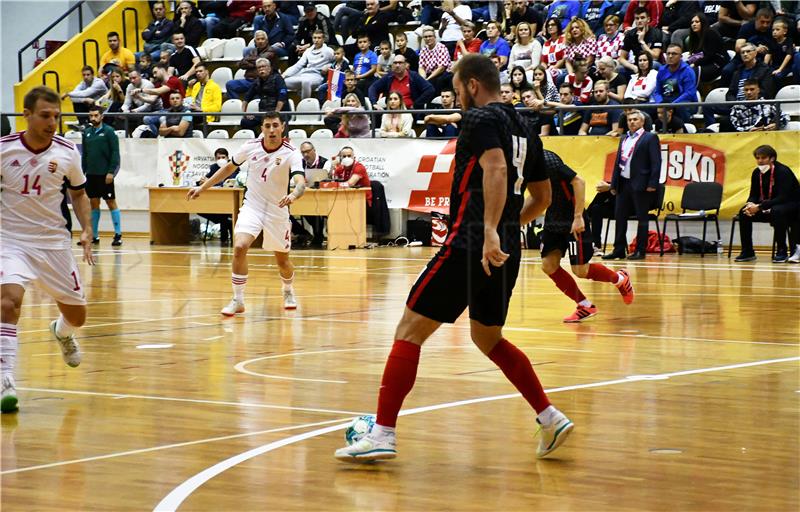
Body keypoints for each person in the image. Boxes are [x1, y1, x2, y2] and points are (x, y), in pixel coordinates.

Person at [334, 53, 573, 463]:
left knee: (409, 330)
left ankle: (383, 434)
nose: (456, 94)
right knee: (488, 338)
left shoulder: (480, 120)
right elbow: (544, 197)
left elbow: (495, 169)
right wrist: (507, 231)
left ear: (473, 85)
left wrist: (490, 230)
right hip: (502, 250)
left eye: (457, 87)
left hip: (469, 244)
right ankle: (549, 417)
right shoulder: (526, 128)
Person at [1, 86, 96, 413]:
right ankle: (5, 380)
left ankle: (62, 332)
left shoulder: (68, 152)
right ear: (26, 115)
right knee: (9, 302)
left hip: (53, 243)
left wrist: (86, 229)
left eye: (56, 116)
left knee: (77, 316)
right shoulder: (4, 150)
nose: (52, 122)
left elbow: (80, 195)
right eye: (45, 115)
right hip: (10, 240)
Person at [187, 112, 306, 313]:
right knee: (240, 247)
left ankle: (287, 290)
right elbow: (227, 169)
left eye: (275, 125)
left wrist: (293, 195)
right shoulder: (250, 146)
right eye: (267, 126)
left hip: (277, 210)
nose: (271, 130)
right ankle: (238, 300)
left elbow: (301, 183)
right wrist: (203, 187)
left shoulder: (292, 152)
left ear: (282, 127)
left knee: (283, 261)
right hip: (252, 206)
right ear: (262, 129)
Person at [539, 149, 635, 323]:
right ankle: (584, 305)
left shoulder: (547, 160)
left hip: (573, 219)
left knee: (580, 270)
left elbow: (579, 181)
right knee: (548, 265)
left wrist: (577, 217)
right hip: (553, 219)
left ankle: (620, 279)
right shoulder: (518, 163)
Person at [603, 110, 661, 261]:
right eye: (629, 120)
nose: (632, 122)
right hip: (623, 182)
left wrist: (653, 183)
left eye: (635, 119)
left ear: (642, 122)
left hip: (641, 184)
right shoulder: (624, 138)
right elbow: (617, 163)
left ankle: (640, 250)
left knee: (642, 218)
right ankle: (618, 249)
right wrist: (614, 184)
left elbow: (656, 162)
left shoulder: (650, 137)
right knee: (620, 217)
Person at [734, 145, 800, 263]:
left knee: (777, 211)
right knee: (744, 212)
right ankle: (747, 251)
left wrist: (759, 207)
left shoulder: (783, 171)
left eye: (763, 158)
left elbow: (783, 197)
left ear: (772, 158)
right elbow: (754, 193)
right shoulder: (756, 173)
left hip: (790, 205)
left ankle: (781, 251)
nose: (760, 161)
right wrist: (750, 204)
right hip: (768, 205)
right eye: (758, 158)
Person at [81, 105, 122, 247]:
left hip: (105, 175)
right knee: (93, 203)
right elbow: (84, 155)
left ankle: (118, 234)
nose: (93, 118)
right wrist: (83, 172)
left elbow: (115, 153)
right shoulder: (86, 133)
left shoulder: (109, 132)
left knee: (111, 202)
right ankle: (94, 235)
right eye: (91, 115)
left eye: (95, 115)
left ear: (102, 116)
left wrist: (111, 172)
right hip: (91, 175)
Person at [198, 148, 240, 245]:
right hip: (215, 201)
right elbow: (206, 179)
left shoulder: (234, 167)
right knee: (199, 208)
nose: (221, 159)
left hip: (229, 200)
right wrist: (202, 181)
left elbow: (230, 182)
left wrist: (210, 183)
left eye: (223, 157)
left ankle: (225, 226)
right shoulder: (213, 167)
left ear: (228, 158)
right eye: (218, 158)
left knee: (224, 213)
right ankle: (226, 223)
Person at [368, 56, 436, 111]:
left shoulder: (414, 76)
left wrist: (416, 104)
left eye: (400, 63)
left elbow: (430, 89)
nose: (397, 65)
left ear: (405, 64)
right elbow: (373, 88)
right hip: (391, 111)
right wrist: (374, 103)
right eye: (395, 63)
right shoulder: (388, 77)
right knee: (376, 116)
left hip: (410, 111)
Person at [651, 43, 698, 122]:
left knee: (680, 108)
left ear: (681, 57)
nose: (670, 56)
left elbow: (689, 93)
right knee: (646, 107)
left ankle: (683, 131)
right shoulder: (662, 70)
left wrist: (672, 105)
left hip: (685, 103)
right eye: (668, 53)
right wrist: (661, 103)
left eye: (674, 54)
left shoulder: (688, 71)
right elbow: (656, 92)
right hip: (665, 102)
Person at [282, 30, 334, 99]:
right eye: (314, 38)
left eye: (319, 38)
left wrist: (329, 66)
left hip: (317, 76)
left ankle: (304, 106)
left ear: (323, 39)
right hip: (304, 74)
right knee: (282, 82)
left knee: (306, 82)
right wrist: (284, 75)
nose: (316, 40)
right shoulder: (308, 51)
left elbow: (341, 60)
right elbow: (298, 65)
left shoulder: (328, 51)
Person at [684, 13, 728, 84]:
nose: (694, 24)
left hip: (717, 64)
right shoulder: (695, 37)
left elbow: (710, 55)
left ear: (703, 23)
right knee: (682, 67)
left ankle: (690, 92)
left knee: (691, 71)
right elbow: (698, 55)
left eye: (697, 22)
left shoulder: (711, 33)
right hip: (705, 63)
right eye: (692, 22)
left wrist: (694, 64)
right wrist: (688, 62)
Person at [618, 7, 664, 75]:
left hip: (653, 63)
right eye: (637, 18)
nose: (639, 20)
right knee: (619, 69)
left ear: (648, 19)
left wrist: (642, 42)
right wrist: (633, 67)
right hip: (638, 64)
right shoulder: (630, 34)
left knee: (653, 64)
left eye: (642, 18)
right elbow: (621, 58)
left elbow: (655, 57)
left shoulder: (656, 33)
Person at [419, 27, 454, 94]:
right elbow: (421, 67)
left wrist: (427, 79)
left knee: (434, 83)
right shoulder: (423, 49)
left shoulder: (441, 47)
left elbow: (441, 68)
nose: (428, 38)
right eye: (425, 37)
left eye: (430, 36)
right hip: (429, 75)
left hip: (441, 74)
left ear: (435, 37)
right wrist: (423, 78)